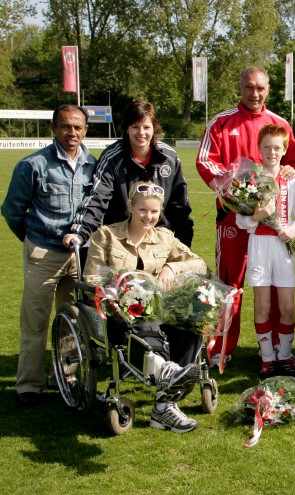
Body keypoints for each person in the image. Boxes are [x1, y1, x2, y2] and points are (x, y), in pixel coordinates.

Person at [196, 66, 295, 365]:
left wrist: (292, 171)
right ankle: (221, 350)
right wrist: (237, 194)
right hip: (233, 220)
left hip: (271, 229)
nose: (255, 94)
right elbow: (206, 162)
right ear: (240, 88)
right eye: (249, 87)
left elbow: (294, 165)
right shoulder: (222, 122)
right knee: (229, 285)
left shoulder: (279, 124)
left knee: (272, 289)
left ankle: (275, 351)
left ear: (269, 89)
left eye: (260, 88)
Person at [83, 182, 207, 432]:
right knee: (143, 310)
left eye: (154, 211)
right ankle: (167, 377)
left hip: (159, 310)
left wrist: (172, 267)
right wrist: (126, 287)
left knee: (192, 320)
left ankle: (165, 402)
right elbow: (91, 278)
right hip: (119, 312)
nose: (148, 216)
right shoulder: (106, 236)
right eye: (142, 210)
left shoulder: (165, 237)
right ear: (130, 207)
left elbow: (199, 264)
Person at [1, 104, 97, 406]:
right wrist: (33, 242)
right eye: (66, 126)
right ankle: (29, 384)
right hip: (44, 253)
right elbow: (12, 211)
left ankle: (65, 376)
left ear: (85, 131)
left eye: (78, 127)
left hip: (79, 255)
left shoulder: (91, 164)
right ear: (54, 128)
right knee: (36, 321)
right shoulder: (33, 165)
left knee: (72, 318)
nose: (72, 133)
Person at [66, 101, 194, 248]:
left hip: (160, 245)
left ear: (154, 129)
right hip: (121, 243)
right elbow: (97, 199)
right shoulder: (112, 158)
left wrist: (184, 244)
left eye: (146, 127)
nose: (141, 133)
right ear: (127, 128)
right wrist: (80, 233)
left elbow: (180, 207)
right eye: (135, 127)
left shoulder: (169, 157)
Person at [235, 125, 295, 378]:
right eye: (267, 147)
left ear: (285, 150)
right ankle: (267, 358)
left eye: (277, 147)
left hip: (283, 247)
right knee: (262, 306)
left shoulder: (289, 180)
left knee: (287, 306)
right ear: (258, 148)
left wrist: (293, 230)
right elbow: (241, 222)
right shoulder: (249, 180)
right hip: (260, 247)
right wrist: (258, 215)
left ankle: (285, 355)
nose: (272, 152)